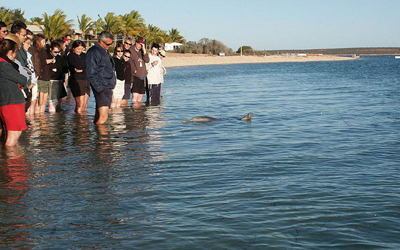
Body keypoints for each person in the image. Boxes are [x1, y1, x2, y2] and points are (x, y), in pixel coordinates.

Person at [0, 35, 31, 147]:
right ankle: (12, 162)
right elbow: (23, 79)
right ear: (10, 52)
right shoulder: (4, 66)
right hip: (12, 102)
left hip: (9, 101)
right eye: (16, 51)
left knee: (11, 135)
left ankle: (10, 160)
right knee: (13, 136)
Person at [86, 31, 116, 124]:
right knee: (103, 118)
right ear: (101, 41)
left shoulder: (104, 51)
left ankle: (98, 135)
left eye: (111, 43)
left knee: (99, 116)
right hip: (102, 87)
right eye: (108, 44)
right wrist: (100, 88)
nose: (110, 45)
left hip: (107, 86)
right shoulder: (93, 51)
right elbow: (90, 73)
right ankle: (102, 138)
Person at [29, 34, 51, 113]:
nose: (44, 43)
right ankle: (38, 119)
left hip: (46, 77)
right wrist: (50, 61)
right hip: (41, 77)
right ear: (38, 42)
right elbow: (40, 63)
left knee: (44, 102)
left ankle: (41, 118)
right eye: (43, 42)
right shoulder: (36, 51)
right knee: (39, 102)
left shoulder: (44, 51)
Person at [67, 40, 90, 113]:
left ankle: (83, 121)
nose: (80, 51)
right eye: (78, 49)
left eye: (81, 49)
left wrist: (82, 69)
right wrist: (83, 68)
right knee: (80, 104)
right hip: (77, 80)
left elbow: (90, 65)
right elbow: (78, 66)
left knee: (84, 105)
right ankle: (78, 121)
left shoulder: (84, 55)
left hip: (86, 79)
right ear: (73, 48)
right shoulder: (71, 56)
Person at [48, 41, 68, 112]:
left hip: (59, 81)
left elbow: (65, 69)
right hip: (51, 81)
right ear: (51, 49)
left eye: (58, 52)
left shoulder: (60, 58)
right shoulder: (47, 57)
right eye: (55, 52)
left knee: (58, 101)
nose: (56, 54)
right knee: (52, 102)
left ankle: (56, 116)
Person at [131, 37, 149, 106]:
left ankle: (139, 113)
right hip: (136, 76)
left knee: (140, 98)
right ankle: (134, 114)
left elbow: (147, 60)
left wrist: (144, 50)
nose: (139, 46)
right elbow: (130, 61)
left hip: (143, 76)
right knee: (135, 97)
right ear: (136, 43)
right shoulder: (131, 50)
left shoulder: (142, 52)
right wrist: (134, 69)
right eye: (139, 44)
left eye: (141, 45)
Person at [112, 43, 125, 108]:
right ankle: (113, 116)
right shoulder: (113, 60)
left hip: (122, 81)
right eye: (118, 51)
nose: (120, 53)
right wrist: (113, 82)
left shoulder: (122, 60)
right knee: (114, 101)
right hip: (116, 81)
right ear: (115, 51)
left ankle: (118, 117)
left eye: (121, 51)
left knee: (119, 99)